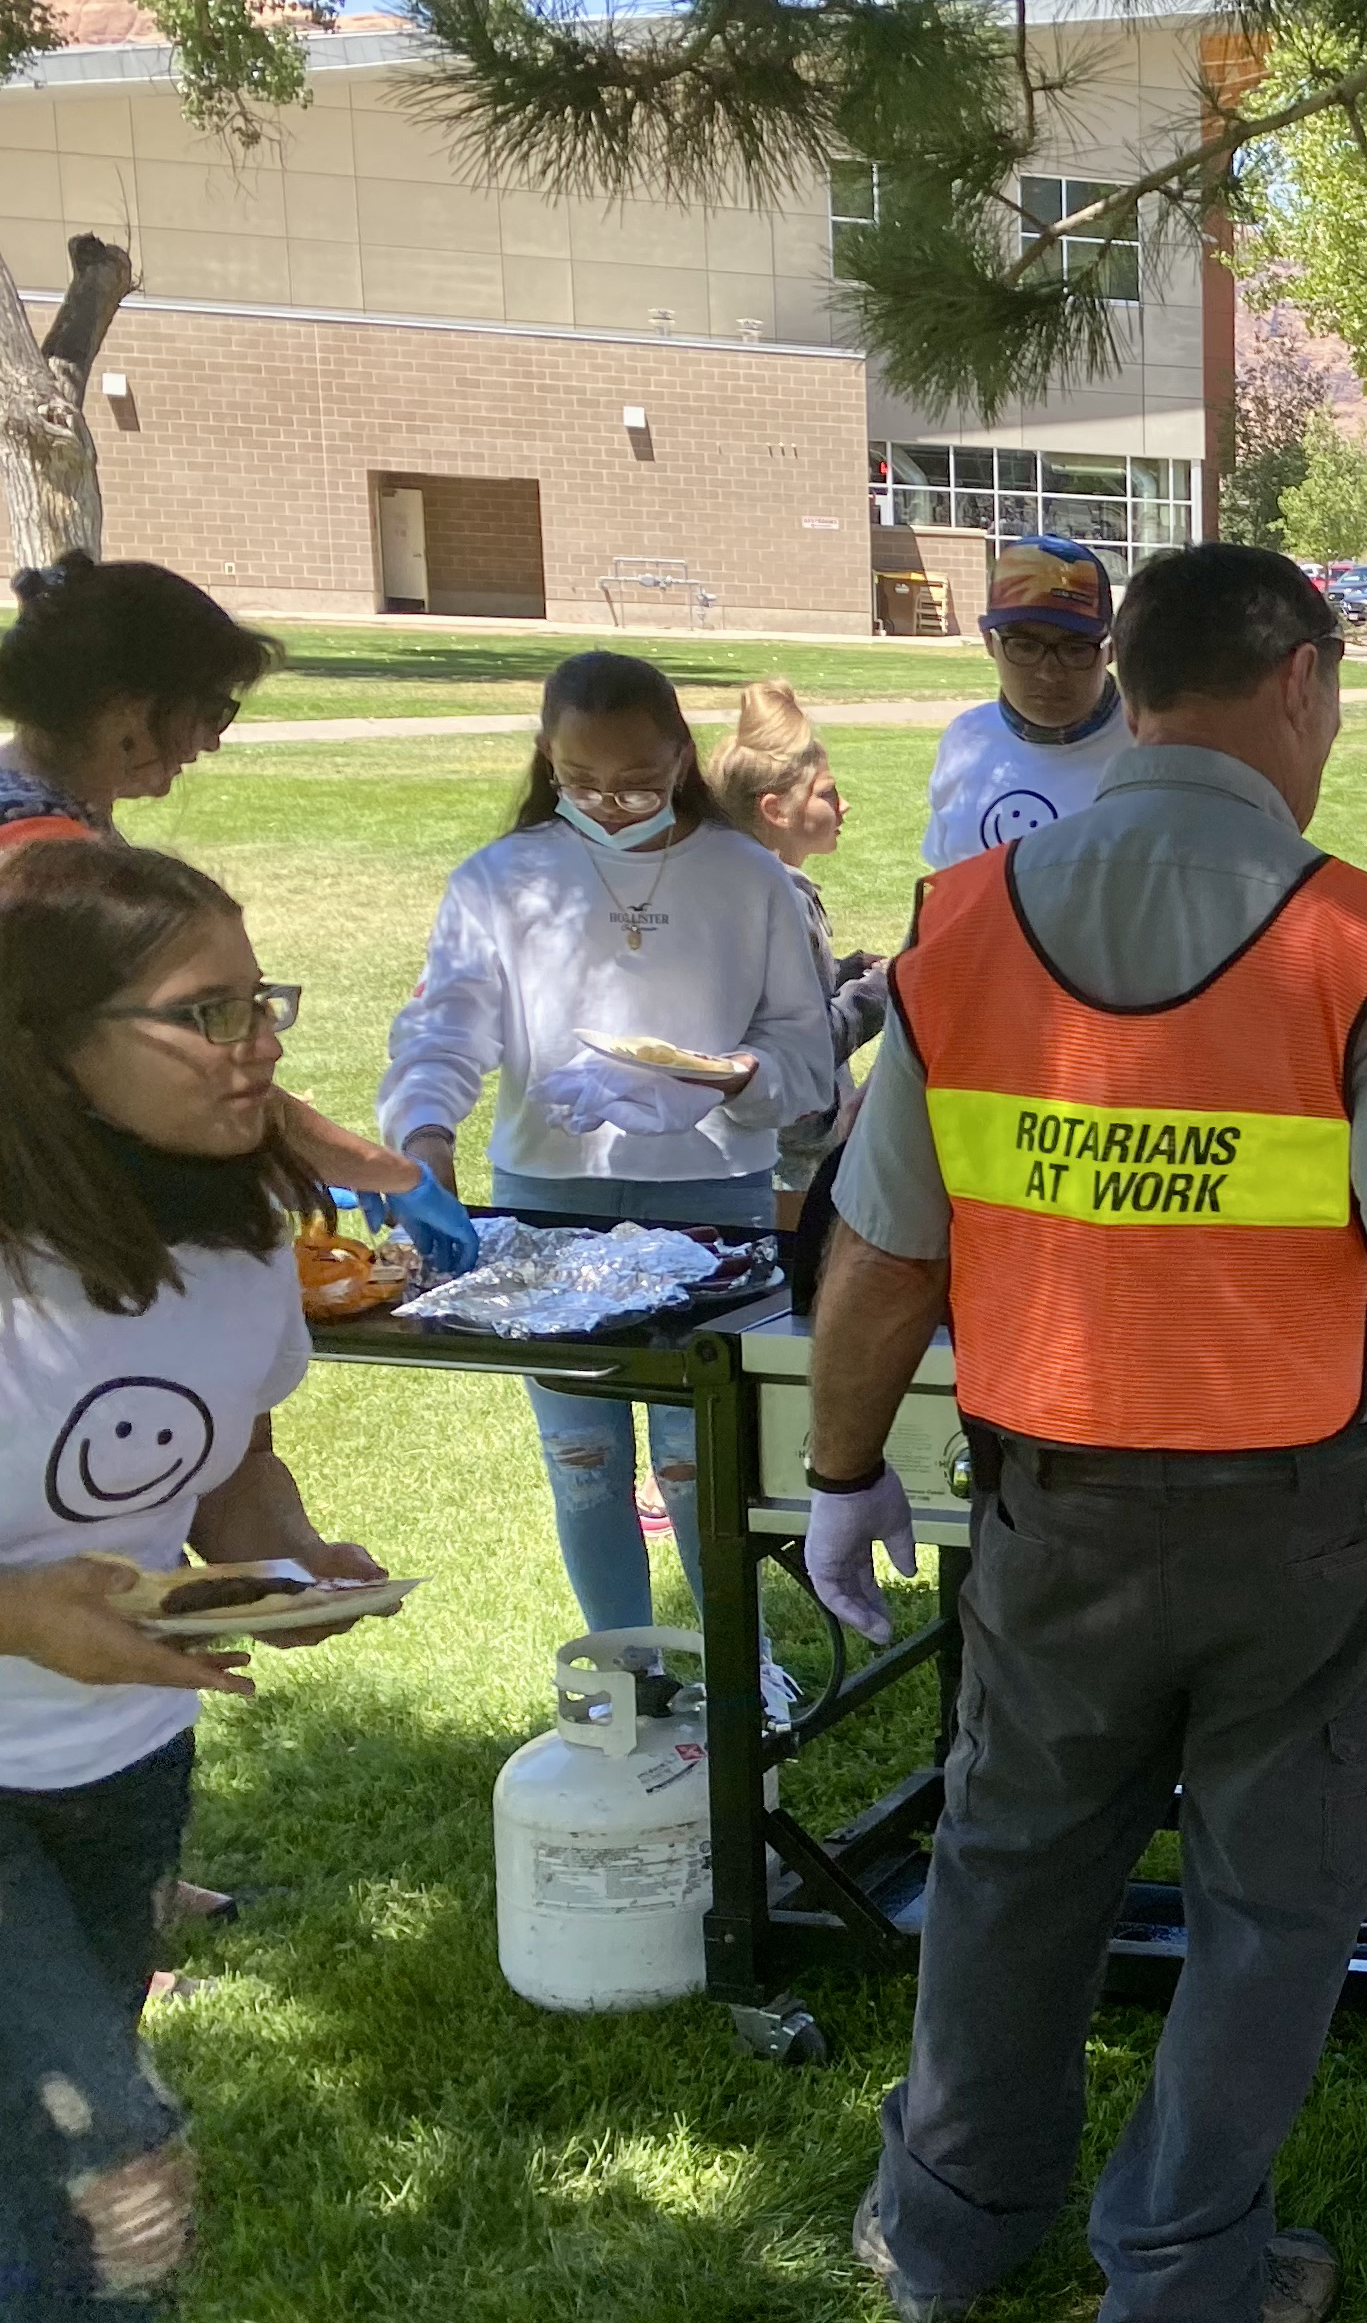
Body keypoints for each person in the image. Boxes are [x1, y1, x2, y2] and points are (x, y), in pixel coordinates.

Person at [798, 543, 1367, 2323]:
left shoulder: (960, 920)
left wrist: (836, 1472)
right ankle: (1179, 2292)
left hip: (1049, 1503)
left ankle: (949, 2225)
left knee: (1006, 1866)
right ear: (1300, 678)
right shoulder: (1365, 937)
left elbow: (886, 1256)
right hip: (1302, 1516)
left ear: (1129, 678)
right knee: (1267, 1903)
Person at [0, 840, 394, 2323]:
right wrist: (24, 1618)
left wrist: (293, 1559)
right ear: (51, 1043)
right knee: (118, 2165)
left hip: (124, 1764)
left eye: (262, 1001)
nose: (254, 1046)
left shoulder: (240, 1217)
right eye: (203, 1012)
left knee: (45, 2197)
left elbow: (227, 1458)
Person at [379, 653, 836, 1640]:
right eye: (583, 782)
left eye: (635, 780)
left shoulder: (749, 878)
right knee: (583, 1462)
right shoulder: (504, 879)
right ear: (548, 760)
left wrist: (725, 1078)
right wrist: (424, 1135)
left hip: (712, 1191)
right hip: (553, 1191)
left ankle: (733, 1664)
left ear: (681, 753)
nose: (613, 804)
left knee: (696, 1458)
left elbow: (806, 1054)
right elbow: (448, 1024)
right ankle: (625, 1661)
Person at [0, 554, 460, 1243]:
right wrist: (385, 1171)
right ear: (129, 712)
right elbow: (193, 1056)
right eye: (210, 709)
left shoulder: (46, 815)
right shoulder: (45, 860)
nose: (213, 741)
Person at [710, 682, 888, 1230]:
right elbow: (807, 1040)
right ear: (776, 810)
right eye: (828, 794)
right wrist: (884, 989)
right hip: (790, 1164)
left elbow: (777, 1001)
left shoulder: (731, 884)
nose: (844, 805)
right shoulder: (784, 897)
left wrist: (842, 974)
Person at [921, 537, 1130, 867]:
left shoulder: (1150, 752)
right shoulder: (966, 740)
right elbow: (947, 885)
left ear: (1111, 648)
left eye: (1075, 648)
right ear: (989, 642)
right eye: (1025, 646)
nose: (1049, 673)